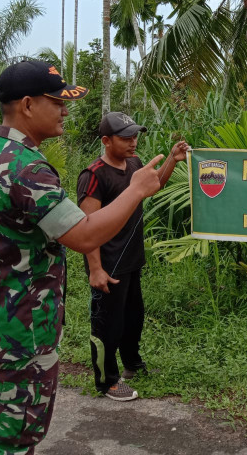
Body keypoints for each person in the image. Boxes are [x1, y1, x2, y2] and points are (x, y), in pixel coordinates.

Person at [0, 60, 165, 455]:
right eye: (57, 101)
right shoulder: (27, 168)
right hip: (18, 323)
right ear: (28, 105)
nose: (66, 110)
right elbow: (83, 236)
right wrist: (136, 191)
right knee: (14, 432)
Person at [77, 112, 188, 401]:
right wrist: (95, 269)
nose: (133, 142)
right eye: (125, 138)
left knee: (132, 318)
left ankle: (132, 364)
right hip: (108, 264)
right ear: (106, 141)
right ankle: (107, 381)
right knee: (107, 325)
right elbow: (87, 229)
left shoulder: (135, 164)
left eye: (135, 136)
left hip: (132, 259)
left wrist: (172, 161)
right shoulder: (94, 176)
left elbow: (153, 187)